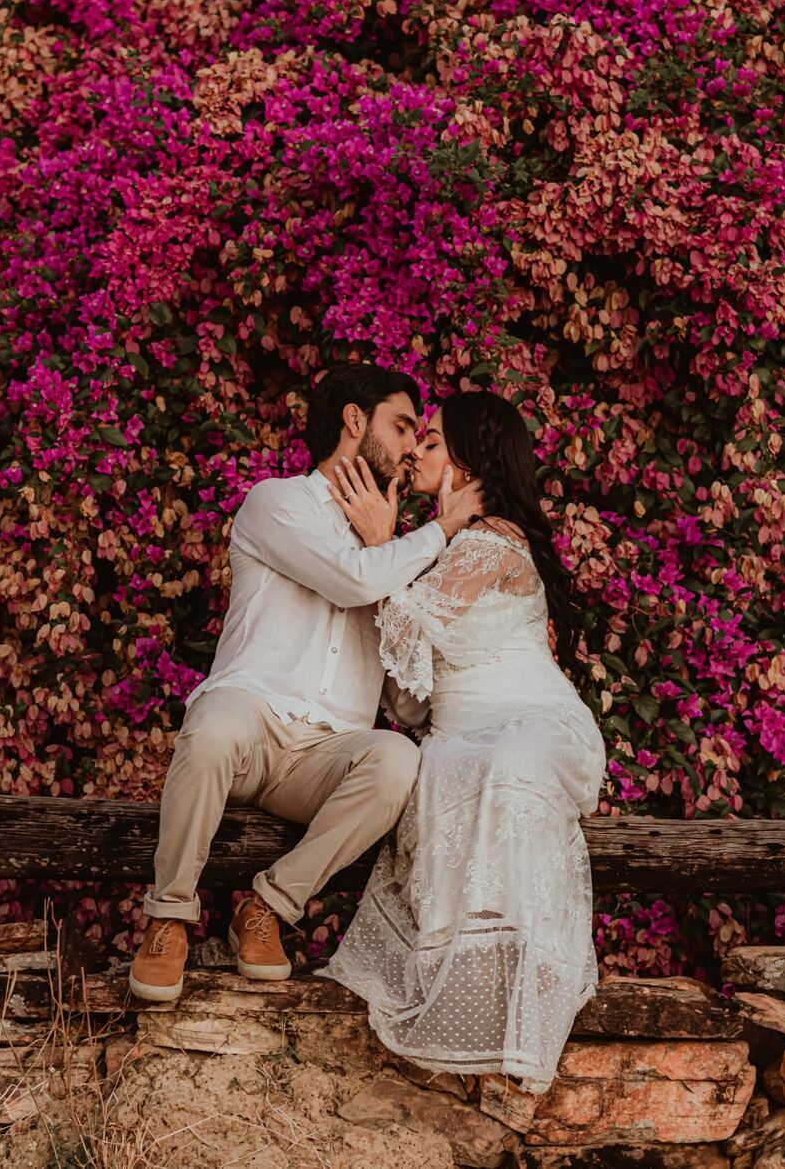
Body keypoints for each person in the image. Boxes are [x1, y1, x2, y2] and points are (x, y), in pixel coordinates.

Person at [128, 363, 488, 1002]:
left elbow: (404, 705)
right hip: (250, 727)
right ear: (355, 421)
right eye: (403, 427)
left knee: (396, 758)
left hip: (322, 758)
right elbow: (352, 576)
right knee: (213, 723)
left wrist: (403, 573)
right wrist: (441, 531)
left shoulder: (391, 554)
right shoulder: (278, 502)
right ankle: (169, 915)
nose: (413, 448)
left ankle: (267, 907)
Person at [317, 389, 605, 1095]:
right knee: (436, 763)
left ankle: (512, 984)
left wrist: (385, 545)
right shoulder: (450, 544)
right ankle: (469, 986)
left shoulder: (490, 539)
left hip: (533, 726)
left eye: (435, 440)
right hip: (461, 734)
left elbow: (409, 627)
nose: (416, 450)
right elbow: (410, 695)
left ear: (473, 460)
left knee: (502, 767)